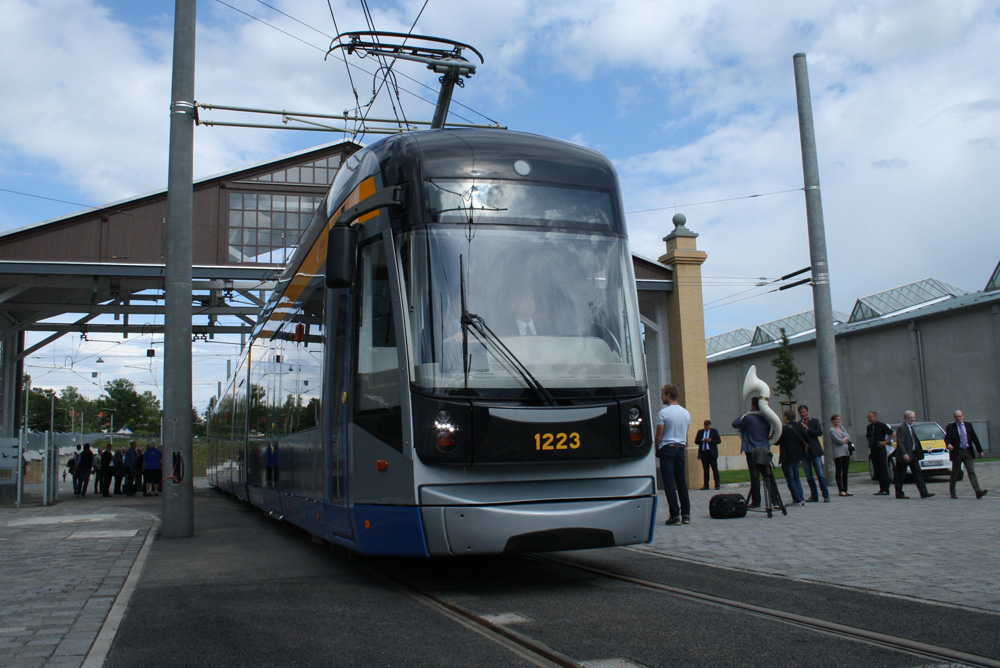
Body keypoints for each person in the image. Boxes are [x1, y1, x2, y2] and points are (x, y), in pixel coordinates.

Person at [654, 384, 692, 525]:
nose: (661, 396)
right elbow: (685, 431)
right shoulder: (685, 413)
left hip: (667, 448)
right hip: (680, 447)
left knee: (669, 483)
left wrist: (657, 449)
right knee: (681, 481)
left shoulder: (664, 413)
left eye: (663, 394)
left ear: (668, 396)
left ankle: (674, 515)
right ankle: (686, 514)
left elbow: (659, 436)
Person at [732, 397, 771, 508]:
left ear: (753, 405)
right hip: (764, 449)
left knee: (755, 476)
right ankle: (775, 501)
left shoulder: (748, 418)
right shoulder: (767, 418)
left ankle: (756, 501)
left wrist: (746, 414)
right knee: (767, 475)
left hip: (751, 450)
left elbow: (735, 423)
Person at [944, 410, 988, 499]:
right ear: (954, 418)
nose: (958, 418)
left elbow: (974, 438)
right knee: (955, 472)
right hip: (957, 452)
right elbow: (947, 438)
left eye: (960, 416)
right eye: (956, 416)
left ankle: (977, 491)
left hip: (968, 451)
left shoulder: (968, 425)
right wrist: (949, 445)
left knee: (971, 471)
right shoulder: (951, 427)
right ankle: (952, 492)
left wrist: (980, 450)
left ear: (963, 416)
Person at [894, 410, 934, 499]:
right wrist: (904, 453)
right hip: (904, 455)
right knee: (900, 475)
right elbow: (900, 442)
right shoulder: (902, 428)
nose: (912, 419)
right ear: (905, 418)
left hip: (913, 453)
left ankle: (924, 492)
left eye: (913, 417)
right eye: (910, 417)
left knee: (918, 473)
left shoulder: (911, 427)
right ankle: (899, 493)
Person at [794, 405, 830, 503]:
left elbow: (819, 433)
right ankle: (814, 495)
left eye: (804, 412)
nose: (803, 414)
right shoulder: (798, 424)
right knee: (809, 476)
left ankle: (826, 495)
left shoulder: (814, 421)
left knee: (820, 474)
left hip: (815, 451)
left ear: (807, 412)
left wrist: (807, 428)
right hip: (805, 452)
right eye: (801, 413)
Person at [775, 410, 805, 506]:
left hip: (787, 456)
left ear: (786, 417)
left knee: (790, 479)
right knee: (796, 477)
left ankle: (797, 499)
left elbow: (777, 442)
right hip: (797, 455)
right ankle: (801, 497)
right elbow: (806, 438)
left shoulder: (783, 429)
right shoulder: (799, 426)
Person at [866, 411, 893, 495]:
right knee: (876, 468)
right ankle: (881, 488)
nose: (869, 419)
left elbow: (892, 434)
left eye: (870, 417)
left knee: (883, 468)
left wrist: (885, 442)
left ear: (875, 417)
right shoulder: (869, 427)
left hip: (880, 449)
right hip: (873, 449)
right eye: (868, 417)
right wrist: (869, 442)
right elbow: (868, 436)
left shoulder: (882, 426)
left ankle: (886, 488)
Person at [828, 414, 854, 497]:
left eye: (839, 419)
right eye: (836, 419)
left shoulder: (842, 428)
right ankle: (841, 489)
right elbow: (838, 440)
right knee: (839, 471)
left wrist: (844, 439)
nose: (838, 421)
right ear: (833, 421)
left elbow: (849, 437)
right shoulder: (832, 430)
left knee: (845, 471)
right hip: (838, 453)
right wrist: (844, 439)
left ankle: (846, 489)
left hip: (846, 451)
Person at [696, 420, 721, 490]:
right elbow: (696, 441)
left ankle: (717, 485)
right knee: (706, 470)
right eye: (705, 426)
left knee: (714, 469)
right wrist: (702, 440)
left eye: (708, 425)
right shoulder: (700, 432)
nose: (706, 427)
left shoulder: (714, 431)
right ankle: (706, 485)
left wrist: (711, 441)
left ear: (710, 425)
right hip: (704, 453)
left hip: (711, 453)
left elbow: (718, 441)